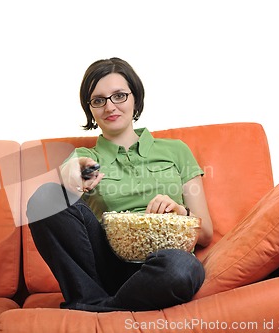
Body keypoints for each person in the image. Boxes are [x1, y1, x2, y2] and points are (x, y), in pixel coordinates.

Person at [27, 57, 213, 312]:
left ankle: (99, 307)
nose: (110, 107)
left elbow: (205, 234)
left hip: (163, 261)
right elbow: (73, 172)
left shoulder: (176, 151)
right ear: (90, 108)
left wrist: (180, 213)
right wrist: (76, 174)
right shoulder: (86, 155)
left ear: (135, 97)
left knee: (181, 269)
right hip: (106, 264)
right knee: (45, 198)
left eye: (119, 96)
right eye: (98, 100)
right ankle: (94, 299)